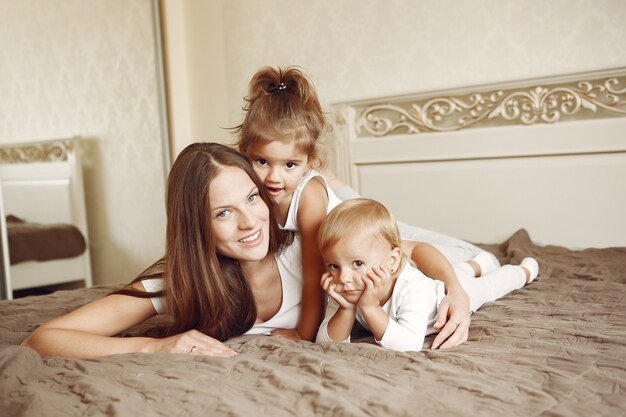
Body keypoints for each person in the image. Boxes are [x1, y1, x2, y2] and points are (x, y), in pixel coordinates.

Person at [234, 65, 489, 348]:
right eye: (261, 162)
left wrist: (303, 334)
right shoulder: (251, 187)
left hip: (368, 233)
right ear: (245, 153)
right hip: (348, 228)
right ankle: (339, 188)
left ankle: (477, 264)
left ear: (309, 160)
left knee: (458, 255)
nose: (273, 176)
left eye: (290, 164)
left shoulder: (308, 199)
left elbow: (311, 276)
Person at [315, 198, 539, 352]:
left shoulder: (412, 287)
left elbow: (409, 344)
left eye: (357, 263)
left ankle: (523, 271)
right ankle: (480, 262)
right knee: (459, 272)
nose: (343, 277)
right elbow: (325, 342)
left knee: (487, 287)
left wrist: (371, 308)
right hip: (435, 283)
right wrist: (345, 309)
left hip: (441, 299)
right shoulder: (346, 289)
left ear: (392, 261)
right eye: (333, 265)